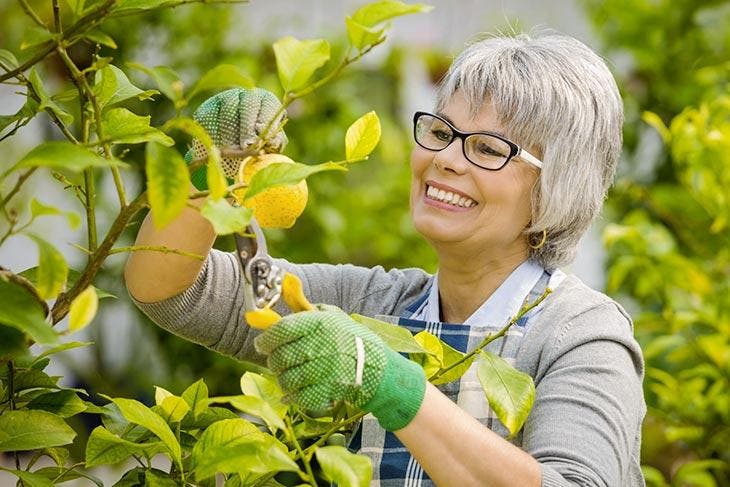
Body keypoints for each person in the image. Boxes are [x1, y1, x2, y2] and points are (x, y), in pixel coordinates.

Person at [125, 31, 646, 487]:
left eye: (487, 149)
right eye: (441, 134)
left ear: (558, 183)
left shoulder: (581, 336)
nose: (444, 159)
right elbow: (169, 290)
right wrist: (207, 172)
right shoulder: (375, 304)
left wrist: (390, 385)